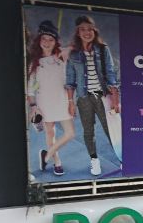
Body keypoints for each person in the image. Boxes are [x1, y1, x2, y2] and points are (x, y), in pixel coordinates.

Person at [64, 15, 120, 176]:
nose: (86, 32)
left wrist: (115, 100)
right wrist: (70, 102)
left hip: (103, 97)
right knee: (89, 131)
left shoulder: (102, 49)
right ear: (78, 32)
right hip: (84, 98)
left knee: (111, 130)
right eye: (82, 29)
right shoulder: (74, 54)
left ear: (94, 30)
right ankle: (94, 161)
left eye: (89, 29)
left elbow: (111, 74)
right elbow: (70, 80)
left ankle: (121, 158)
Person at [27, 20, 74, 176]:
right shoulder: (34, 63)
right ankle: (57, 162)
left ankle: (46, 156)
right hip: (44, 103)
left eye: (51, 39)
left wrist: (67, 48)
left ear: (55, 42)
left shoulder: (62, 57)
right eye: (44, 39)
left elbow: (76, 46)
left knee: (70, 133)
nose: (47, 42)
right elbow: (31, 89)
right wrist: (33, 107)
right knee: (50, 134)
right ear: (39, 40)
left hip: (62, 101)